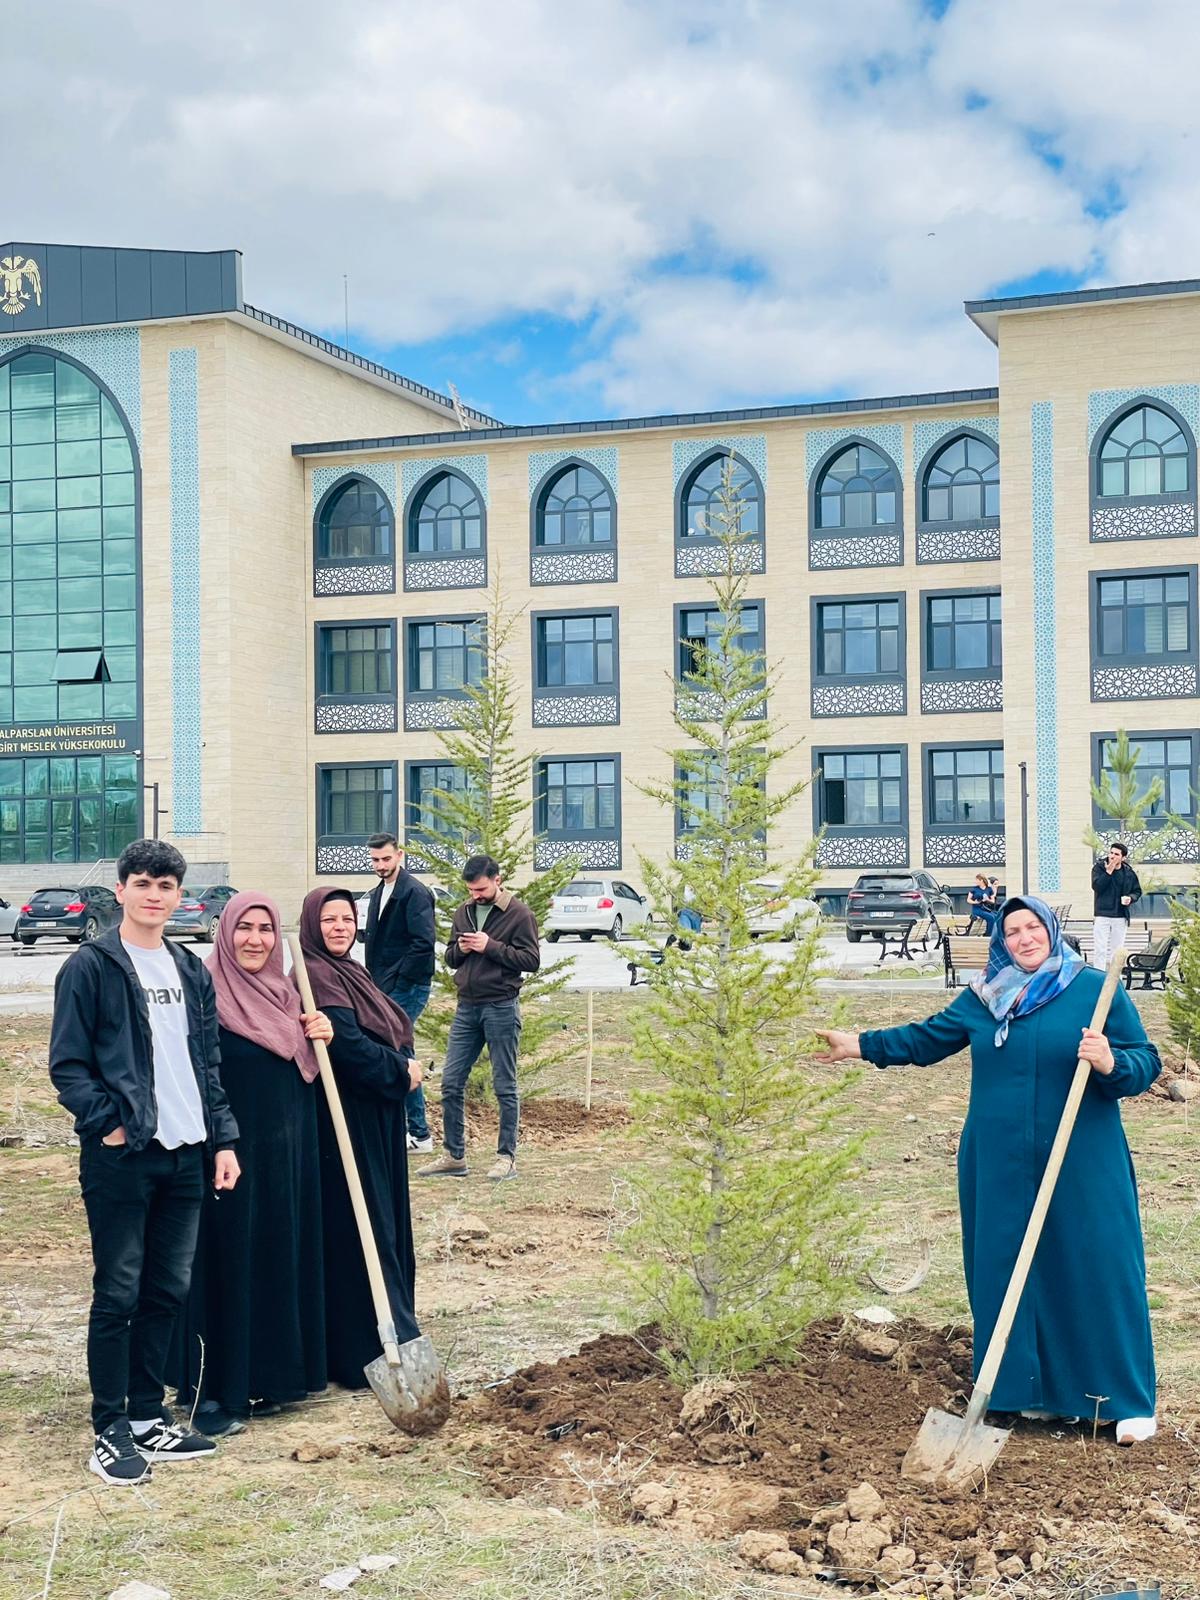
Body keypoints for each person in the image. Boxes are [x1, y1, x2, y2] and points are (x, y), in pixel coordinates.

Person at [815, 894, 1159, 1445]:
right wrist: (858, 1045)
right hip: (998, 1160)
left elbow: (1145, 1062)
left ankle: (1122, 1401)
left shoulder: (1094, 990)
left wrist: (1110, 1060)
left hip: (1081, 1157)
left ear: (1051, 931)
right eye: (1013, 931)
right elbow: (926, 1039)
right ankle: (1027, 1393)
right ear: (1001, 941)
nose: (1025, 938)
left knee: (1097, 1264)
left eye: (1033, 927)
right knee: (1005, 1266)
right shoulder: (986, 996)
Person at [49, 839, 240, 1485]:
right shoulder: (91, 966)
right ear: (122, 890)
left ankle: (145, 1416)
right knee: (119, 1291)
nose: (155, 895)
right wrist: (107, 1126)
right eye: (143, 883)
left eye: (166, 885)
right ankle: (109, 1429)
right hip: (123, 1157)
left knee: (166, 1290)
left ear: (179, 895)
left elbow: (208, 1065)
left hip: (186, 1154)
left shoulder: (190, 969)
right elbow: (68, 1065)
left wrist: (223, 1140)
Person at [171, 894, 332, 1434]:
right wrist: (221, 1143)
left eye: (265, 928)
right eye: (245, 927)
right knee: (226, 1261)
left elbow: (304, 1070)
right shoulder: (205, 992)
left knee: (274, 1255)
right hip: (229, 1155)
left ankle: (269, 1377)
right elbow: (197, 1078)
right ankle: (214, 1389)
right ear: (225, 932)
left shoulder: (289, 995)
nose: (256, 939)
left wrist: (321, 1035)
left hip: (286, 1156)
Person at [299, 888, 424, 1389]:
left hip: (378, 1114)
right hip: (348, 1118)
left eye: (347, 919)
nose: (339, 927)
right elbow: (348, 1046)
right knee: (361, 1227)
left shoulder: (351, 969)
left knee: (384, 1222)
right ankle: (362, 1347)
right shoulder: (316, 975)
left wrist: (400, 1068)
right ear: (312, 924)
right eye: (328, 919)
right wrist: (401, 1071)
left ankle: (395, 1326)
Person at [417, 854, 540, 1183]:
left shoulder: (520, 914)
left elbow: (531, 960)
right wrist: (461, 948)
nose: (476, 895)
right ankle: (454, 1157)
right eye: (471, 890)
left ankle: (506, 1158)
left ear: (498, 880)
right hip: (466, 1008)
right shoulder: (464, 911)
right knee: (450, 1081)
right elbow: (450, 957)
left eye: (481, 889)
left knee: (504, 1085)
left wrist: (490, 946)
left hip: (501, 1006)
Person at [363, 832, 436, 1154]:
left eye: (386, 859)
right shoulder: (380, 890)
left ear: (400, 855)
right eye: (375, 860)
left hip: (408, 987)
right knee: (396, 1052)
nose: (380, 865)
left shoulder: (414, 892)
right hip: (384, 986)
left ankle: (419, 1134)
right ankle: (405, 1129)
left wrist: (397, 980)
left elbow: (423, 943)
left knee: (399, 1053)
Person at [1092, 841, 1142, 971]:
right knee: (1100, 949)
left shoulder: (1129, 873)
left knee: (1117, 950)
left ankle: (1115, 977)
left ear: (1123, 858)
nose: (1112, 856)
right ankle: (1099, 976)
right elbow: (1097, 887)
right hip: (1102, 914)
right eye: (1111, 853)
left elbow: (1137, 891)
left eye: (1116, 854)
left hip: (1120, 915)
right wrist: (1108, 872)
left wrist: (1130, 898)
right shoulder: (1099, 868)